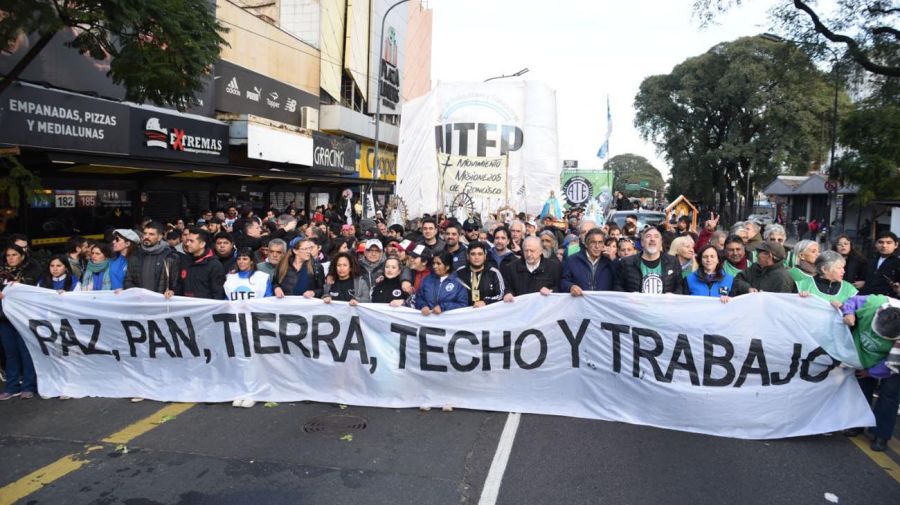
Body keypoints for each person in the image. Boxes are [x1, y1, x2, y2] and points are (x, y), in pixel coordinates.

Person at [839, 295, 900, 451]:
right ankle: (857, 423)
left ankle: (881, 434)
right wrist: (849, 313)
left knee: (889, 394)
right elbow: (850, 301)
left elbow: (892, 364)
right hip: (864, 354)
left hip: (893, 361)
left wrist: (871, 372)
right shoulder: (874, 303)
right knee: (861, 388)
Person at [0, 244, 39, 400]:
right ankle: (12, 386)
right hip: (4, 319)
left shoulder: (31, 273)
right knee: (10, 353)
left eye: (14, 255)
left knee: (25, 351)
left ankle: (28, 385)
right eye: (8, 255)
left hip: (23, 318)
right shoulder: (1, 274)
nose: (11, 258)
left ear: (22, 256)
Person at [614, 227, 683, 294]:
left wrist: (673, 296)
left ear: (661, 242)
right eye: (648, 236)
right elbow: (617, 286)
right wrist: (629, 297)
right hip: (635, 305)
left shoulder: (673, 262)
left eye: (656, 236)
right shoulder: (626, 263)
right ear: (642, 243)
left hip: (664, 305)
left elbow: (680, 286)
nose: (652, 239)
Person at [124, 221, 180, 297]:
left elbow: (176, 283)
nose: (146, 236)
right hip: (139, 302)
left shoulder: (170, 256)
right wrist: (135, 295)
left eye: (151, 234)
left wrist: (172, 292)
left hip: (161, 303)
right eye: (145, 233)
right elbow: (129, 280)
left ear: (160, 237)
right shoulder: (136, 255)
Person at [503, 236, 561, 300]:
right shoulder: (511, 268)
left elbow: (559, 287)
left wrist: (551, 291)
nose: (528, 254)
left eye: (532, 251)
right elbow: (507, 287)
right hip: (521, 307)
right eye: (526, 251)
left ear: (541, 251)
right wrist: (508, 293)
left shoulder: (553, 267)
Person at [563, 228, 617, 295]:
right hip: (581, 302)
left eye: (600, 242)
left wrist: (614, 260)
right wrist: (570, 287)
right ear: (586, 244)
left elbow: (620, 281)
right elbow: (564, 281)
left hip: (603, 303)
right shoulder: (572, 260)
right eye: (593, 242)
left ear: (604, 244)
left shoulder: (610, 261)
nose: (597, 246)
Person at [731, 242, 796, 295]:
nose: (756, 255)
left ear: (769, 255)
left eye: (759, 252)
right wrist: (748, 288)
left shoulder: (783, 278)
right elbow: (737, 280)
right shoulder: (755, 268)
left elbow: (780, 303)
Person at [415, 250, 468, 315]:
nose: (435, 266)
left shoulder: (458, 283)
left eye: (438, 263)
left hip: (448, 323)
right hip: (428, 321)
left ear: (447, 266)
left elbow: (463, 304)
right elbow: (419, 297)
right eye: (434, 263)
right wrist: (423, 306)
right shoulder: (427, 279)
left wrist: (443, 307)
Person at [178, 227, 226, 300]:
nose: (187, 244)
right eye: (187, 240)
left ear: (202, 244)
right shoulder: (184, 261)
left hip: (206, 309)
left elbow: (218, 294)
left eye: (191, 241)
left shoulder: (214, 265)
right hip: (186, 308)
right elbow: (180, 287)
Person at [456, 241, 506, 307]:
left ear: (485, 256)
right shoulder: (459, 272)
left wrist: (485, 302)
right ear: (468, 256)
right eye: (473, 254)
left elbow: (501, 295)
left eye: (480, 254)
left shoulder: (493, 272)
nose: (476, 257)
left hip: (488, 314)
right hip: (466, 314)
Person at [858, 231, 900, 299]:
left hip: (887, 302)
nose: (884, 245)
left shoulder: (898, 263)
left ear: (896, 245)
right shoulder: (871, 261)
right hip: (866, 300)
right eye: (881, 242)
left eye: (888, 243)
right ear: (876, 244)